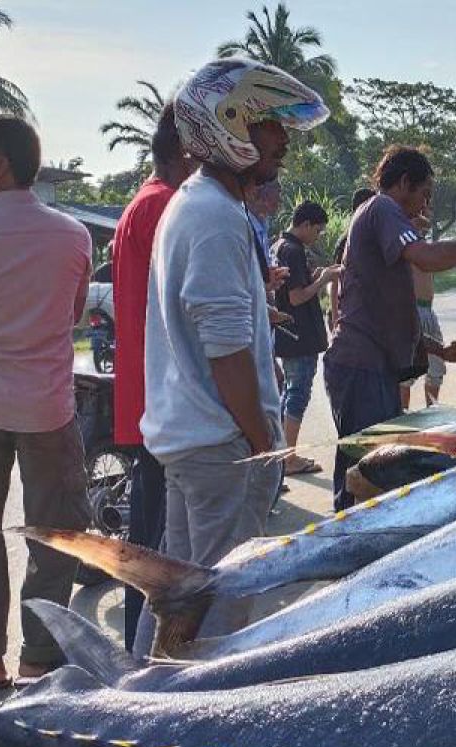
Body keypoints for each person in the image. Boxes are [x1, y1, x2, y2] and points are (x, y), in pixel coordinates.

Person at [137, 58, 329, 652]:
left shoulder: (194, 204)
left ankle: (138, 704)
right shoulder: (216, 216)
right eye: (272, 126)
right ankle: (188, 721)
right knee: (219, 611)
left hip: (193, 442)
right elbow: (227, 352)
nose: (283, 143)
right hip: (223, 449)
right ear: (230, 123)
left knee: (177, 595)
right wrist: (263, 444)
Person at [325, 145, 456, 511]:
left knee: (374, 468)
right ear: (404, 183)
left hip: (375, 367)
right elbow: (429, 258)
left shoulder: (383, 221)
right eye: (424, 194)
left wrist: (439, 350)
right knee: (364, 471)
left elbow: (391, 312)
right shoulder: (383, 207)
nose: (425, 206)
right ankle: (344, 543)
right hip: (360, 365)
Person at [0, 115, 92, 687]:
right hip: (48, 409)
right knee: (54, 535)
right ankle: (39, 657)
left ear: (1, 164)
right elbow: (72, 315)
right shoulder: (73, 235)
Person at [111, 102, 196, 652]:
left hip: (147, 398)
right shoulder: (166, 206)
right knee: (157, 546)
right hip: (161, 401)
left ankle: (139, 648)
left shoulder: (144, 203)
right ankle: (142, 654)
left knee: (152, 538)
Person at [274, 201, 339, 476]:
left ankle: (280, 455)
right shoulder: (293, 250)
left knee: (290, 393)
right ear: (305, 225)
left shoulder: (280, 246)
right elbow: (296, 296)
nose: (318, 236)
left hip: (289, 334)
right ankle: (288, 458)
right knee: (298, 394)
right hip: (299, 336)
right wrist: (323, 279)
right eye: (318, 230)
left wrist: (315, 278)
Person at [401, 213, 447, 410]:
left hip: (428, 311)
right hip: (412, 310)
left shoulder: (422, 245)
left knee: (436, 367)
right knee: (406, 372)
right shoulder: (403, 242)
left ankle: (432, 414)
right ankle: (401, 416)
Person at [330, 188, 376, 331]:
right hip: (351, 313)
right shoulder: (348, 241)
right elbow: (335, 278)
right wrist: (335, 315)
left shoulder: (364, 237)